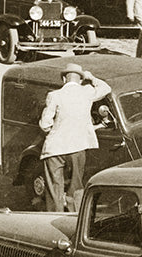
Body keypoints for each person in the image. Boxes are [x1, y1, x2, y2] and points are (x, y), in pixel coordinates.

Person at [39, 63, 111, 212]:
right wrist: (91, 78)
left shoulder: (54, 95)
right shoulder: (87, 92)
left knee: (54, 189)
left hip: (55, 149)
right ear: (79, 80)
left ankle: (53, 218)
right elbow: (105, 88)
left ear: (64, 79)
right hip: (78, 147)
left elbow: (45, 124)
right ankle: (74, 218)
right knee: (76, 187)